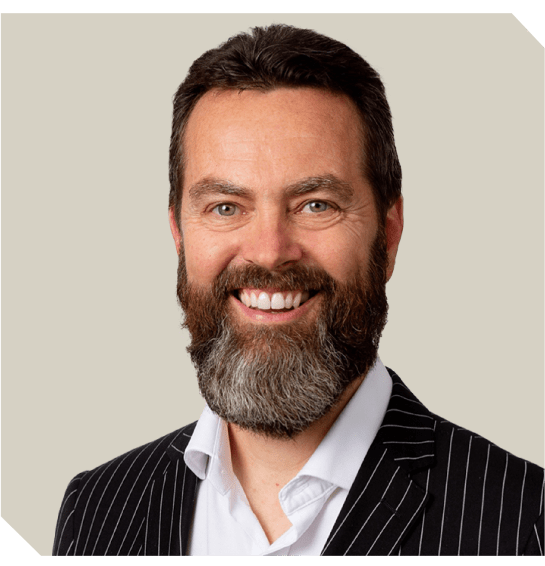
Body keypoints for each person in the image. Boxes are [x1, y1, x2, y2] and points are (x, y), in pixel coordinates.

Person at [52, 24, 544, 556]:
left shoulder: (524, 522)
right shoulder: (96, 511)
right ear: (179, 234)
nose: (269, 251)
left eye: (316, 205)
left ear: (389, 234)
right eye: (225, 207)